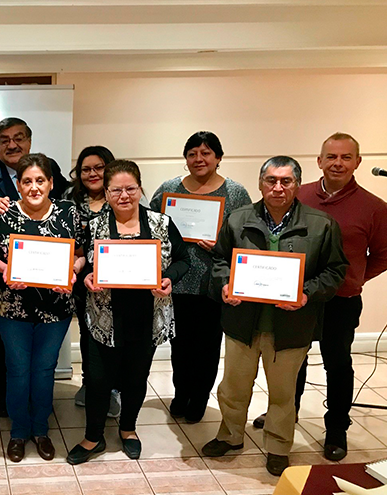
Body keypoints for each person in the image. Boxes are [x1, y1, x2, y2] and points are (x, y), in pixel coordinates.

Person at [201, 156, 347, 477]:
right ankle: (230, 435)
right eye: (271, 180)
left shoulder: (321, 224)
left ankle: (279, 447)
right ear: (260, 183)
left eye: (286, 181)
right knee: (233, 387)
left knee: (282, 393)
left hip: (291, 327)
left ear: (297, 185)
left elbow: (335, 271)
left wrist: (306, 293)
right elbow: (219, 260)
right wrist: (225, 284)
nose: (278, 188)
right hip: (242, 323)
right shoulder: (237, 219)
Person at [252, 133, 387, 461]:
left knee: (337, 363)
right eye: (331, 157)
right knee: (291, 360)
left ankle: (337, 428)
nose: (338, 163)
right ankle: (287, 414)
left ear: (357, 162)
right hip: (295, 297)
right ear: (320, 161)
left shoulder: (374, 208)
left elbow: (383, 254)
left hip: (341, 300)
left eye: (345, 157)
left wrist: (354, 277)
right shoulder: (299, 195)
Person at [66, 160, 189, 465]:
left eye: (130, 188)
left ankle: (128, 429)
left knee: (136, 378)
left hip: (146, 317)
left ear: (140, 188)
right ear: (106, 193)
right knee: (98, 380)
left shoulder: (161, 223)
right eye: (116, 190)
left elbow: (183, 260)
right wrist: (87, 277)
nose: (124, 195)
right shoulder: (95, 226)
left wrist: (168, 278)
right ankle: (93, 436)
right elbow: (85, 263)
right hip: (104, 318)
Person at [0, 153, 85, 462]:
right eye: (27, 181)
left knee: (44, 370)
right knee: (17, 370)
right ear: (18, 184)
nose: (34, 187)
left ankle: (41, 430)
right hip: (12, 308)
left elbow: (81, 252)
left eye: (40, 180)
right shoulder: (2, 214)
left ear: (51, 183)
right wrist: (5, 268)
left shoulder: (68, 212)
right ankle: (18, 432)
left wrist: (73, 272)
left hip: (55, 309)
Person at [149, 131, 252, 423]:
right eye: (192, 153)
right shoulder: (169, 189)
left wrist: (220, 245)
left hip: (214, 282)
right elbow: (151, 224)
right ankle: (181, 392)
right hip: (177, 280)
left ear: (218, 157)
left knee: (207, 347)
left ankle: (199, 397)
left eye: (206, 153)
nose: (199, 159)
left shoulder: (235, 193)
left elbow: (246, 238)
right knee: (180, 345)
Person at [0, 117, 68, 417]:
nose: (12, 144)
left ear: (29, 140)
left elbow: (62, 212)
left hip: (50, 283)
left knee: (42, 356)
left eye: (19, 137)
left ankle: (38, 400)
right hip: (5, 284)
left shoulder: (49, 167)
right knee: (6, 348)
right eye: (4, 139)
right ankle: (6, 397)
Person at [67, 145, 121, 417]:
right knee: (88, 332)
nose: (92, 174)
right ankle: (90, 382)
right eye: (86, 169)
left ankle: (113, 388)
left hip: (116, 277)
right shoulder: (69, 198)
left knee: (114, 333)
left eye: (99, 167)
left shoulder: (121, 194)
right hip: (79, 277)